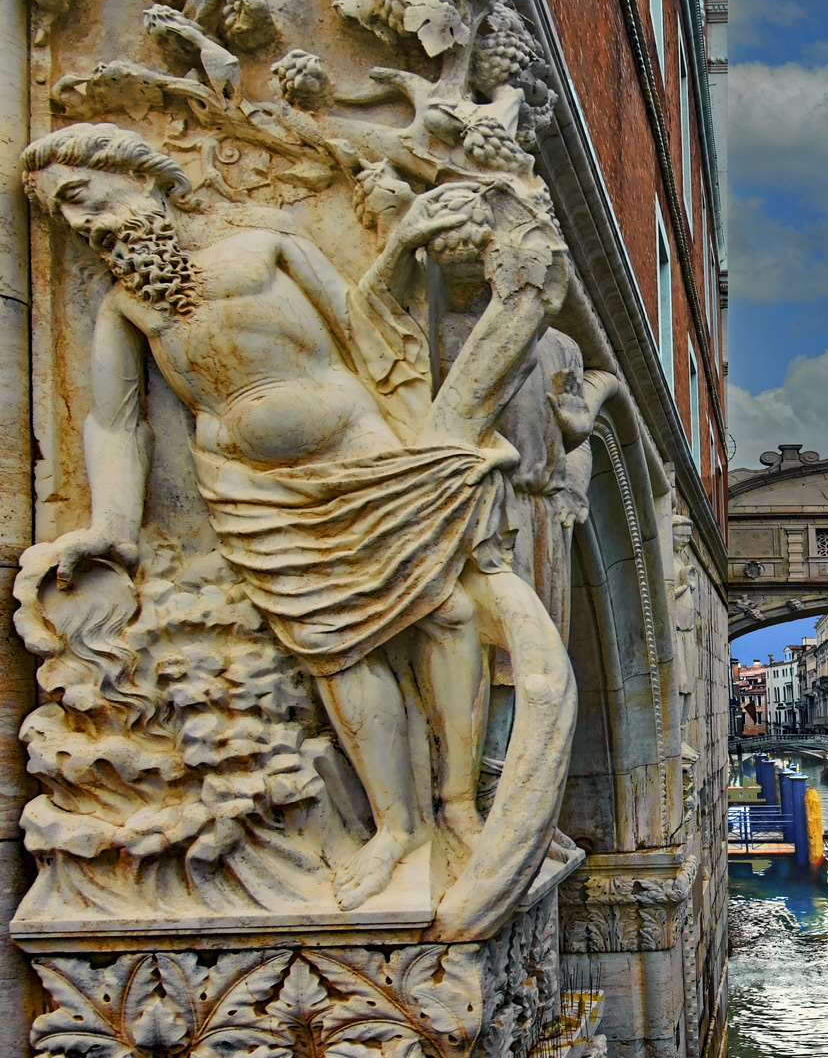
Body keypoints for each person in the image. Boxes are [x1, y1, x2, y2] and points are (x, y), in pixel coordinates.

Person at [18, 123, 574, 924]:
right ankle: (394, 827)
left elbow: (362, 320)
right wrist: (112, 524)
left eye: (81, 197)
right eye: (63, 215)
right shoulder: (125, 304)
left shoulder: (265, 244)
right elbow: (114, 421)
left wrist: (404, 239)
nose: (81, 223)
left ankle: (456, 804)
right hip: (249, 492)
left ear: (137, 176)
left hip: (359, 451)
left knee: (446, 612)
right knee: (331, 648)